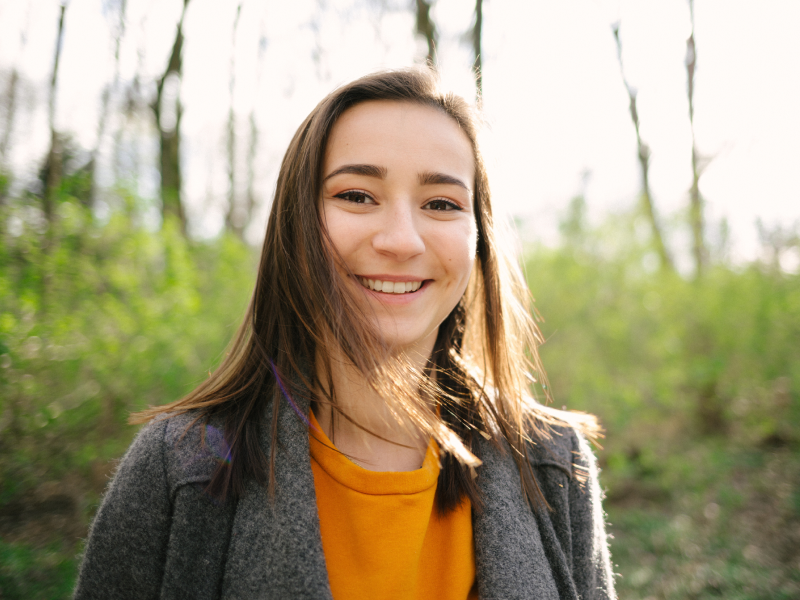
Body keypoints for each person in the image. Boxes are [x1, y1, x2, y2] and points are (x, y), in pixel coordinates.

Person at [73, 67, 616, 600]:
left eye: (442, 204)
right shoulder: (179, 466)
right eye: (357, 195)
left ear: (479, 239)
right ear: (297, 224)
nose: (401, 240)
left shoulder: (553, 464)